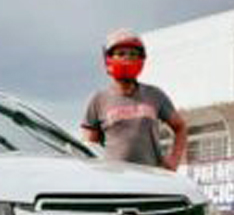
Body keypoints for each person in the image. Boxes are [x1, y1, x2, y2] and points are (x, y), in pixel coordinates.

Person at [81, 28, 188, 170]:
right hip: (115, 182)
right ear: (109, 59)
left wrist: (173, 161)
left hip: (152, 177)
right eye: (121, 53)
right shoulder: (98, 100)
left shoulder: (155, 95)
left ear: (141, 59)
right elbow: (90, 148)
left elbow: (180, 127)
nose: (127, 58)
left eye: (133, 54)